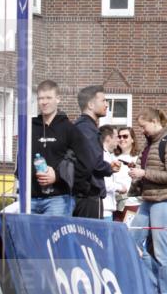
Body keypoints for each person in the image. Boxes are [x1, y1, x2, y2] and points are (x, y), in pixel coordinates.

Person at [129, 108, 167, 294]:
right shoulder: (149, 144)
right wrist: (136, 176)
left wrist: (144, 172)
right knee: (131, 243)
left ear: (153, 121)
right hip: (148, 199)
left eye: (143, 126)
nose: (142, 131)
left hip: (163, 201)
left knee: (162, 250)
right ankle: (155, 287)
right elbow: (148, 174)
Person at [30, 80, 92, 216]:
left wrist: (58, 177)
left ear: (58, 99)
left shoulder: (70, 129)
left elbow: (86, 164)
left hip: (59, 198)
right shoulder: (30, 128)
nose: (44, 102)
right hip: (30, 198)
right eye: (41, 98)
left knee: (54, 236)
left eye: (48, 98)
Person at [74, 86, 120, 219]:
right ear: (90, 104)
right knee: (90, 238)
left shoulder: (84, 127)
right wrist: (110, 168)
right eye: (103, 100)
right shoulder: (87, 129)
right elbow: (94, 163)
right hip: (88, 194)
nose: (107, 104)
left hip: (85, 194)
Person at [99, 124, 130, 219]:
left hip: (108, 207)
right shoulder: (103, 155)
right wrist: (120, 188)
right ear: (108, 138)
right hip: (104, 208)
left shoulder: (107, 154)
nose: (119, 140)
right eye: (117, 137)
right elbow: (105, 184)